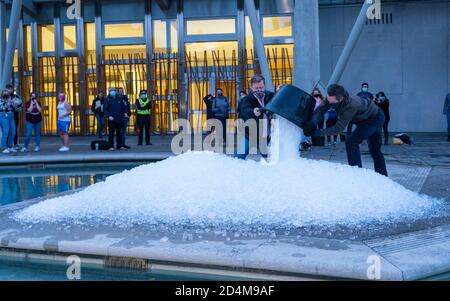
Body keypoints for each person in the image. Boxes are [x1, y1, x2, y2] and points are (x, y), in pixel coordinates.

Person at [303, 84, 388, 177]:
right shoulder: (332, 97)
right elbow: (321, 110)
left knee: (353, 143)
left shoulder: (351, 105)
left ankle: (358, 174)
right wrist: (313, 123)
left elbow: (337, 129)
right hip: (363, 118)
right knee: (374, 150)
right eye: (329, 100)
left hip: (374, 119)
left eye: (333, 102)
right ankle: (381, 176)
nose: (330, 104)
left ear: (341, 99)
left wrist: (316, 132)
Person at [235, 74, 275, 160]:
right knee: (238, 158)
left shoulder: (271, 96)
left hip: (267, 135)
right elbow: (244, 110)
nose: (259, 90)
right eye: (256, 88)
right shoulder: (246, 99)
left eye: (261, 88)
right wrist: (253, 112)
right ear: (251, 88)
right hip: (250, 134)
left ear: (264, 86)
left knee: (269, 159)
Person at [0, 89, 21, 154]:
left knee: (13, 132)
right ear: (2, 95)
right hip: (3, 116)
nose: (6, 95)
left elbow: (18, 108)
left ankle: (10, 146)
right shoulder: (0, 101)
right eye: (5, 94)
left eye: (7, 94)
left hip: (11, 116)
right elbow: (3, 107)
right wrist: (9, 102)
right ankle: (3, 147)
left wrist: (16, 103)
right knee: (5, 132)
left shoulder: (11, 100)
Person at [6, 84, 23, 150]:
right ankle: (8, 145)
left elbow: (21, 105)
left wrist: (15, 107)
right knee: (7, 130)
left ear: (13, 89)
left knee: (14, 130)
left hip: (15, 115)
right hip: (6, 116)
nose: (10, 90)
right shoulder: (4, 96)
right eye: (8, 89)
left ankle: (15, 144)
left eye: (11, 89)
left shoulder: (16, 96)